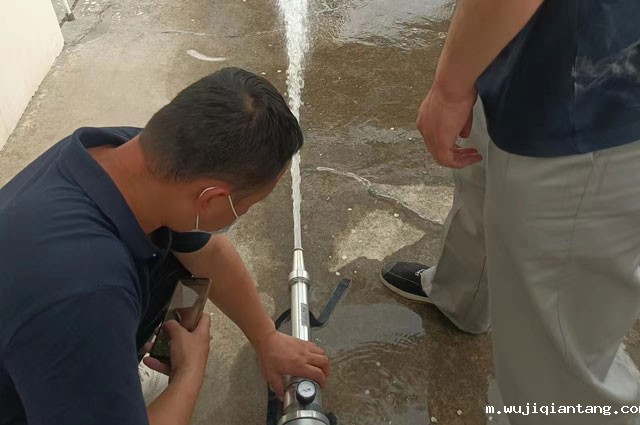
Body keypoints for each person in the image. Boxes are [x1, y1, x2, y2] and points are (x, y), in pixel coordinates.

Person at [0, 67, 329, 425]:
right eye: (246, 206)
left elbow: (210, 254)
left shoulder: (127, 154)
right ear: (211, 199)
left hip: (43, 336)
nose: (243, 214)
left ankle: (108, 378)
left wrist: (266, 338)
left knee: (180, 260)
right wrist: (189, 372)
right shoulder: (87, 294)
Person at [381, 1, 640, 424]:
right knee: (481, 177)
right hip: (532, 49)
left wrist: (449, 88)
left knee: (560, 372)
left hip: (591, 94)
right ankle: (460, 298)